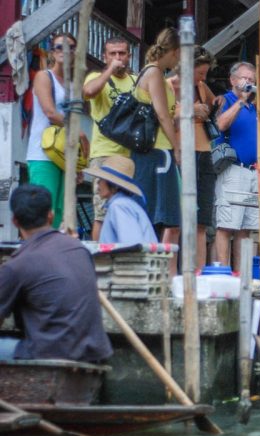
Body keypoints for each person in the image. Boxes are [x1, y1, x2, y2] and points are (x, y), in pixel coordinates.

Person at [0, 185, 112, 362]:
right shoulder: (78, 248)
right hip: (93, 353)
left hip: (49, 354)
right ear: (50, 215)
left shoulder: (16, 265)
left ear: (15, 221)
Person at [131, 27, 182, 275]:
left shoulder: (154, 73)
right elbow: (162, 115)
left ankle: (159, 270)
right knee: (163, 215)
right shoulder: (154, 73)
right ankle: (157, 271)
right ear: (174, 52)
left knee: (163, 215)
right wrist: (177, 146)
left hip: (155, 152)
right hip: (157, 152)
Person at [25, 32, 85, 229]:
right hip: (43, 153)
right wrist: (77, 131)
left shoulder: (72, 84)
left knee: (61, 211)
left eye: (70, 47)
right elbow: (50, 112)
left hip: (64, 153)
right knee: (43, 210)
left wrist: (78, 164)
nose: (64, 51)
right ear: (52, 52)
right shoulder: (44, 76)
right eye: (60, 47)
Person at [167, 46, 218, 268]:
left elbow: (214, 105)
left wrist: (209, 108)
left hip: (205, 152)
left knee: (202, 220)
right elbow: (164, 118)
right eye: (200, 73)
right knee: (178, 217)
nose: (203, 78)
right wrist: (190, 110)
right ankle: (177, 271)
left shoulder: (202, 87)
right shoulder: (168, 86)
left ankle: (197, 273)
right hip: (181, 152)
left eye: (205, 74)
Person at [83, 36, 135, 241]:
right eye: (112, 54)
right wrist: (109, 71)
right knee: (101, 214)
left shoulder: (135, 80)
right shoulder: (96, 76)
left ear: (129, 56)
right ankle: (96, 264)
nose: (118, 57)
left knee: (127, 210)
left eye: (122, 53)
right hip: (104, 154)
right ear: (104, 56)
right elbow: (88, 92)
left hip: (131, 155)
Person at [213, 61, 259, 270]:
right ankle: (223, 273)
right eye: (244, 78)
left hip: (252, 171)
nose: (248, 83)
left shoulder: (254, 107)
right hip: (233, 169)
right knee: (226, 225)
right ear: (232, 80)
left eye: (251, 79)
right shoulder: (227, 99)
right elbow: (220, 124)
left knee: (246, 227)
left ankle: (242, 277)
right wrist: (240, 101)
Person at [83, 155, 157, 245]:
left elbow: (132, 245)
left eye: (101, 179)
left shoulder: (119, 205)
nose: (98, 183)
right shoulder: (122, 204)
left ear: (113, 184)